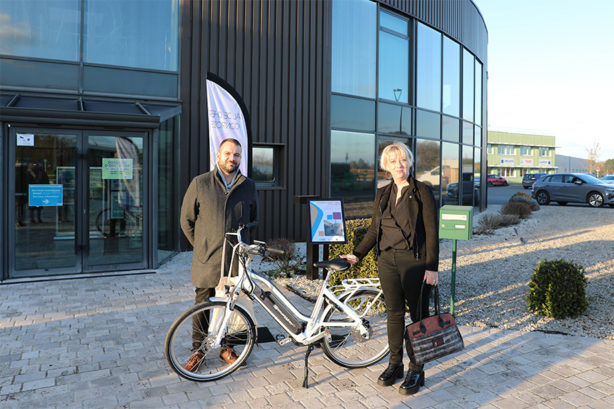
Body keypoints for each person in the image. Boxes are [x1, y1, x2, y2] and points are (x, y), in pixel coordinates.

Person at [340, 142, 439, 395]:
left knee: (418, 316)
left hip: (415, 262)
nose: (399, 166)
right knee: (394, 314)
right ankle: (395, 364)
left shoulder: (422, 192)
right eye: (393, 161)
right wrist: (358, 253)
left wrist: (432, 268)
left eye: (403, 160)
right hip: (387, 260)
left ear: (410, 162)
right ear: (386, 166)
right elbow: (375, 229)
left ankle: (417, 369)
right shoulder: (383, 193)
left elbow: (431, 233)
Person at [180, 138, 258, 371]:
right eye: (227, 153)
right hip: (207, 257)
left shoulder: (248, 186)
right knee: (202, 304)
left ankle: (227, 347)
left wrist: (247, 250)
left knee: (232, 305)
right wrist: (201, 245)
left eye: (236, 155)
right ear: (218, 155)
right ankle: (199, 351)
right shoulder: (200, 183)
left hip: (236, 259)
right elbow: (186, 220)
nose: (231, 158)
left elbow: (254, 221)